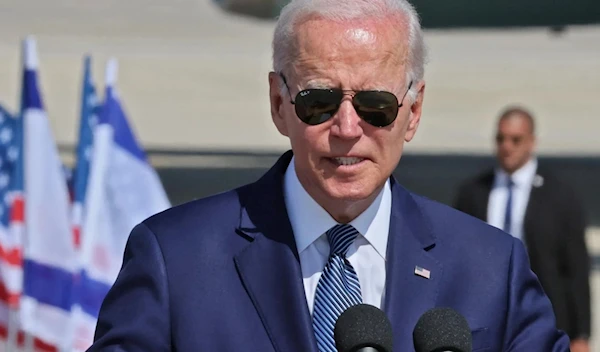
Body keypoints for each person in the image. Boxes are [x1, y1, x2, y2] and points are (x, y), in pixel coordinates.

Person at [89, 1, 570, 351]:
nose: (346, 129)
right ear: (279, 105)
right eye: (317, 102)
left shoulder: (491, 268)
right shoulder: (175, 259)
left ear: (414, 111)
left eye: (375, 106)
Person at [454, 107, 591, 352]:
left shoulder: (560, 195)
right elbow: (458, 257)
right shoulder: (474, 192)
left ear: (532, 142)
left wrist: (581, 334)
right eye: (501, 139)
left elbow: (576, 269)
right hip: (485, 316)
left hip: (544, 316)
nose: (507, 146)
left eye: (516, 139)